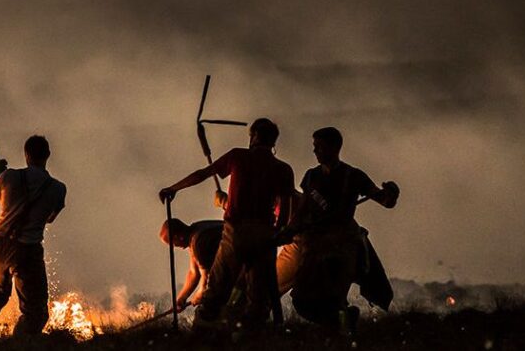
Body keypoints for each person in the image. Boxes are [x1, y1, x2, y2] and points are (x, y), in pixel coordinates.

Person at [158, 118, 294, 328]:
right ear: (273, 141)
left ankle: (201, 334)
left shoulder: (238, 156)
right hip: (265, 235)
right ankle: (251, 336)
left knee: (216, 291)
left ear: (254, 136)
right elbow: (285, 207)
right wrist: (278, 232)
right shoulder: (283, 169)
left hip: (236, 233)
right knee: (257, 298)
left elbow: (202, 174)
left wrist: (173, 189)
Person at [275, 127, 399, 329]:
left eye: (319, 147)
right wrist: (289, 231)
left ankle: (341, 328)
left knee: (334, 297)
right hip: (313, 246)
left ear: (334, 148)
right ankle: (341, 321)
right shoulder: (311, 176)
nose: (315, 151)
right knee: (301, 300)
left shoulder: (354, 176)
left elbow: (384, 200)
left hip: (341, 247)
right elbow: (302, 210)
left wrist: (391, 193)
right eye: (314, 146)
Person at [0, 135, 67, 342]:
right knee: (35, 309)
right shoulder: (58, 188)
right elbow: (50, 218)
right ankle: (21, 342)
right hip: (28, 249)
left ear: (26, 155)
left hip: (0, 244)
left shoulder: (9, 176)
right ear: (48, 155)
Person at [160, 218, 224, 311]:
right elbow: (194, 272)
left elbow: (206, 279)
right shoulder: (195, 233)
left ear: (178, 237)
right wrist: (181, 299)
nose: (174, 247)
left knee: (205, 312)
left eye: (172, 243)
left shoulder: (199, 242)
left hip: (241, 266)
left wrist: (199, 295)